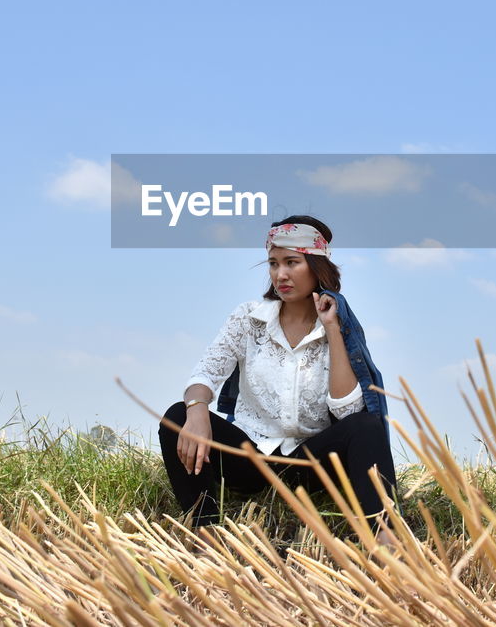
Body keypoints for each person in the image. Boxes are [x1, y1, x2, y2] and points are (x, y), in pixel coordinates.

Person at [158, 215, 399, 544]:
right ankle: (206, 533)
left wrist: (332, 329)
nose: (280, 274)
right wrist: (197, 410)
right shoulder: (248, 319)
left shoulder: (337, 328)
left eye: (292, 262)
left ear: (316, 267)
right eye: (273, 263)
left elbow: (349, 414)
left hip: (308, 465)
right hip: (251, 458)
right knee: (177, 416)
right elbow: (205, 373)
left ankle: (387, 543)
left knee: (367, 426)